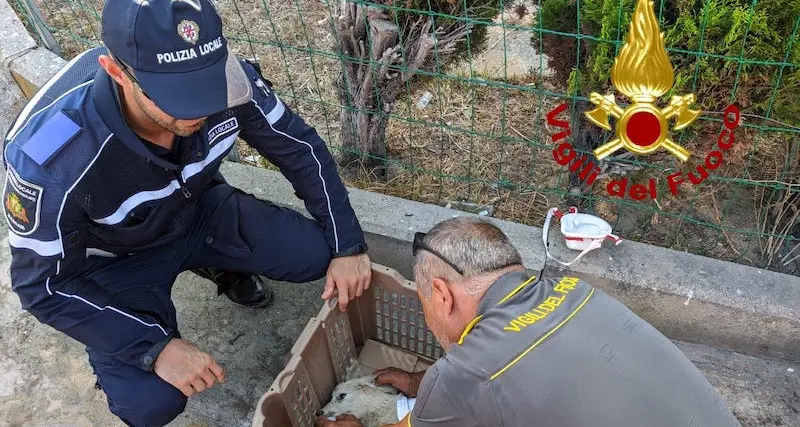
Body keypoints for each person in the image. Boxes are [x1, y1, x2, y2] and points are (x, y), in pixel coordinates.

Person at [3, 0, 371, 425]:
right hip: (114, 262)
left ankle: (218, 266)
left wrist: (349, 246)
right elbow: (42, 287)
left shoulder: (231, 81)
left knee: (317, 253)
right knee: (149, 404)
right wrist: (153, 346)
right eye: (177, 96)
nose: (199, 109)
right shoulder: (53, 160)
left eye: (206, 84)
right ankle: (126, 340)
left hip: (197, 210)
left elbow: (301, 151)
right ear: (116, 71)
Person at [317, 217, 741, 427]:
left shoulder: (465, 374)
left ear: (443, 295)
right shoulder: (574, 291)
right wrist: (427, 386)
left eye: (426, 302)